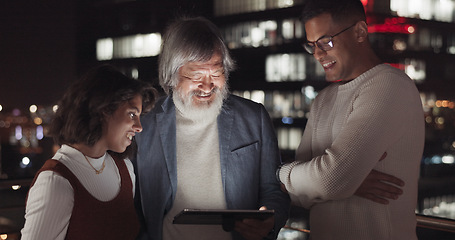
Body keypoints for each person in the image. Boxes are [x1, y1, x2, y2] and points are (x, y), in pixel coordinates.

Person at [277, 0, 425, 239]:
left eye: (326, 41)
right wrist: (344, 182)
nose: (317, 53)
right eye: (312, 45)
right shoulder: (323, 100)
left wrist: (284, 174)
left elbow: (329, 181)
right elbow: (298, 194)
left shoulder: (389, 85)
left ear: (360, 32)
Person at [133, 16, 290, 240]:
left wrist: (270, 221)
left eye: (216, 73)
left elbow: (274, 190)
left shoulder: (254, 118)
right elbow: (131, 206)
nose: (207, 86)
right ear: (172, 74)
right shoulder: (144, 122)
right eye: (196, 75)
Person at [21, 65, 157, 240]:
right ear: (104, 109)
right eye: (132, 114)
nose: (139, 127)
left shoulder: (125, 169)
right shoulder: (55, 182)